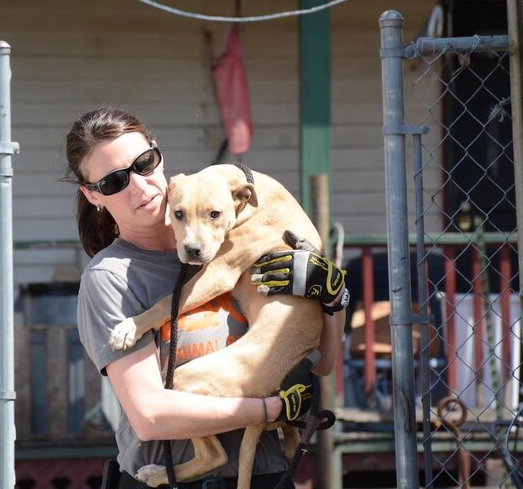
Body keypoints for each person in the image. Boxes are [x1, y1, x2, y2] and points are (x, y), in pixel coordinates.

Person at [65, 105, 348, 489]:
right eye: (115, 182)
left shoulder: (231, 239)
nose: (140, 186)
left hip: (262, 476)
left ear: (158, 156)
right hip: (173, 480)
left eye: (144, 163)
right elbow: (150, 416)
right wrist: (274, 409)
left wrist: (333, 299)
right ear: (93, 196)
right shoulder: (111, 278)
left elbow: (323, 365)